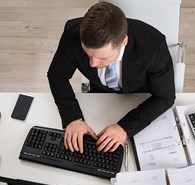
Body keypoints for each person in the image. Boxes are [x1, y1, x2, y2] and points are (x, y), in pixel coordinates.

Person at [47, 2, 175, 154]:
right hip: (99, 94)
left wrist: (125, 128)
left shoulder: (154, 46)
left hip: (141, 97)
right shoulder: (72, 33)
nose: (92, 64)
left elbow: (165, 97)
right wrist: (72, 119)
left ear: (123, 42)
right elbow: (57, 76)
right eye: (88, 54)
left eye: (102, 57)